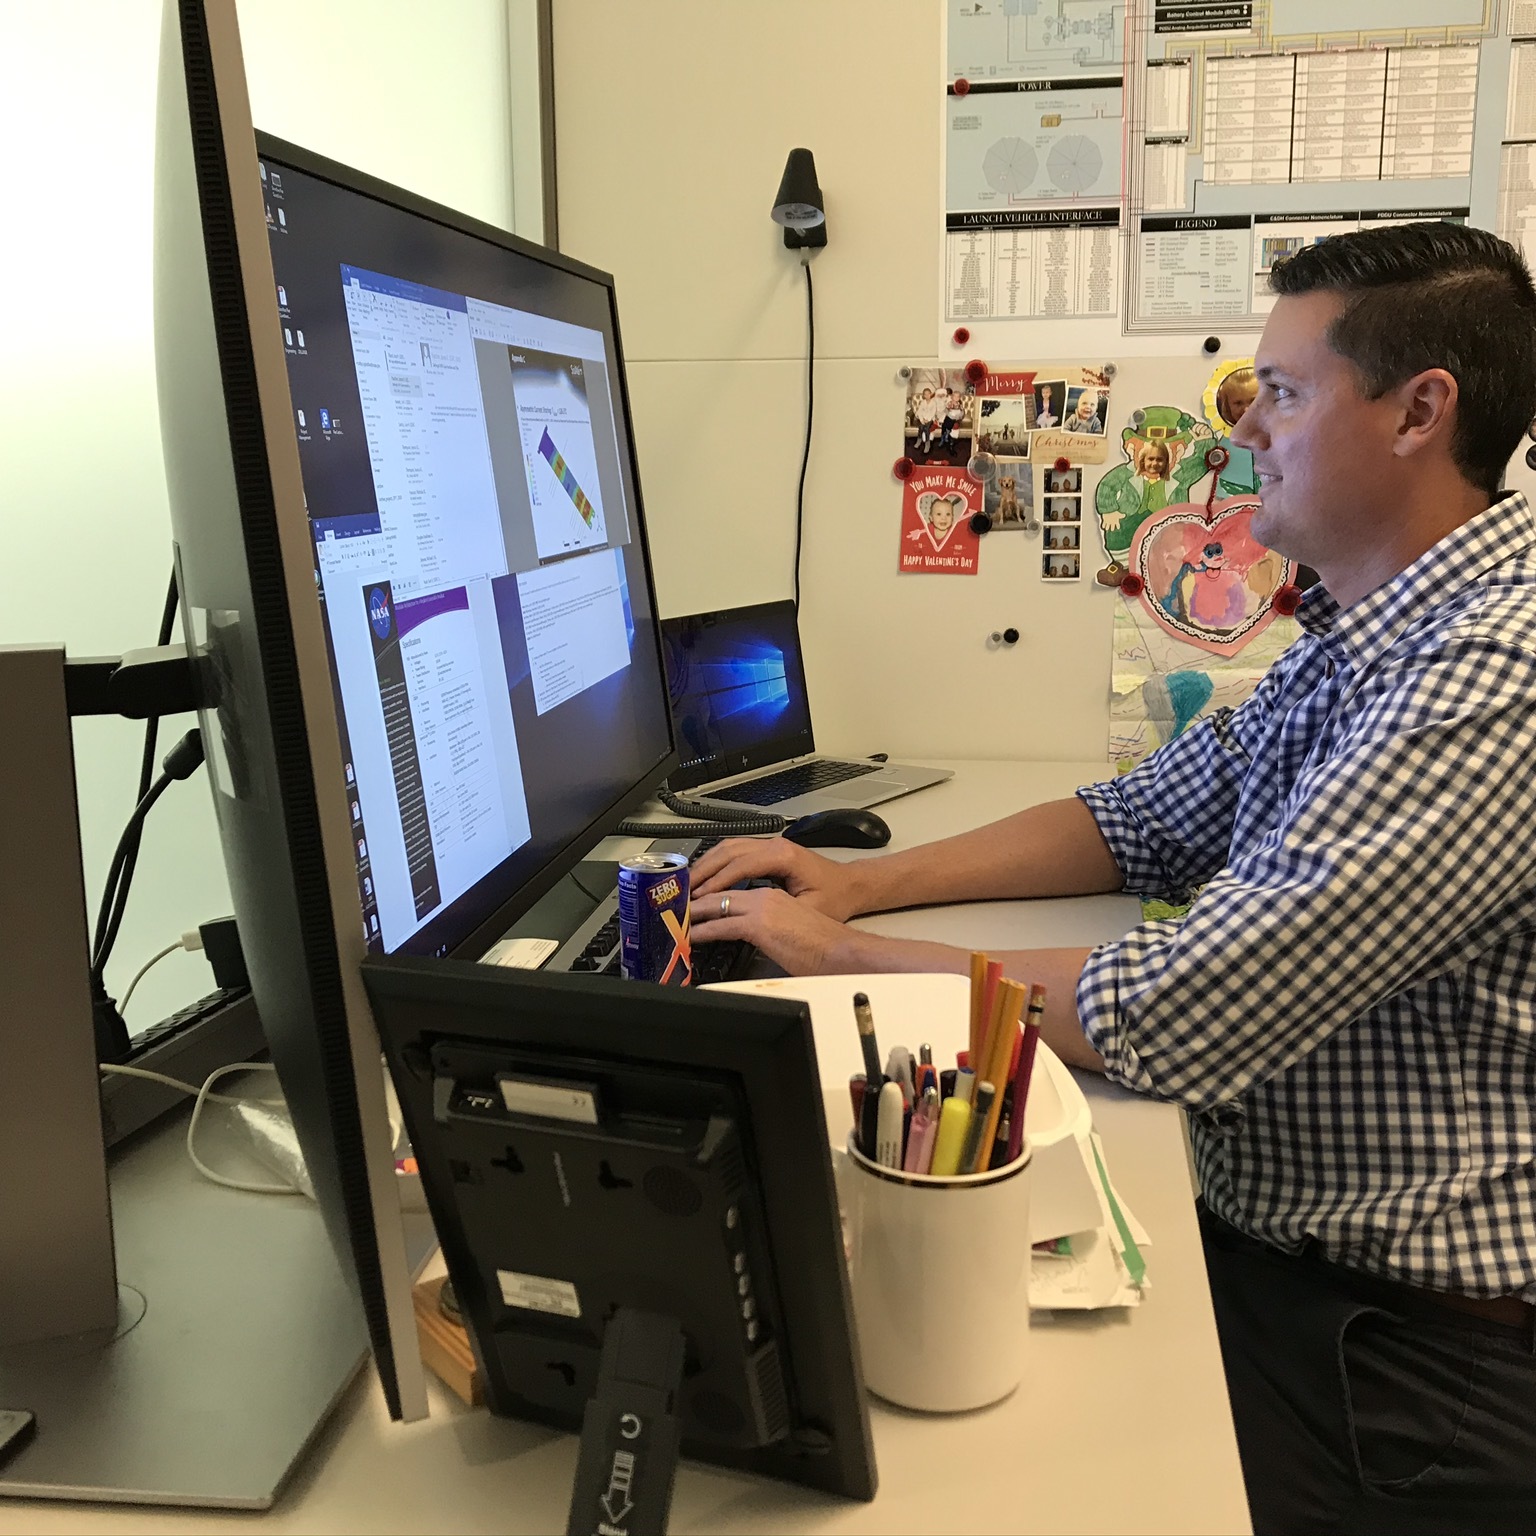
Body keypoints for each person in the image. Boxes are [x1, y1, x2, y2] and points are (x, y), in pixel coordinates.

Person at [691, 222, 1536, 1534]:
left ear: (1423, 411)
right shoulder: (1372, 620)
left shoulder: (1494, 673)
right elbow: (1144, 817)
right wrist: (857, 885)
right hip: (1293, 1252)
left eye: (1289, 392)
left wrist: (835, 963)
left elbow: (1177, 1007)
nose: (1244, 427)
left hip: (1411, 1358)